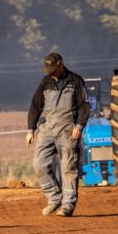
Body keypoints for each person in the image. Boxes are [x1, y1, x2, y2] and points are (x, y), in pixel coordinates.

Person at [26, 52, 89, 217]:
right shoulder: (45, 82)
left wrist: (79, 125)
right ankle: (54, 198)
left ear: (61, 64)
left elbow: (84, 105)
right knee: (39, 164)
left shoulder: (75, 81)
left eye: (53, 69)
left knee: (68, 167)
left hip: (68, 129)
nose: (51, 72)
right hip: (48, 127)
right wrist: (30, 129)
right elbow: (35, 106)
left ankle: (68, 205)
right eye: (49, 69)